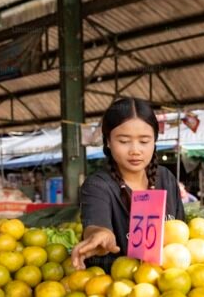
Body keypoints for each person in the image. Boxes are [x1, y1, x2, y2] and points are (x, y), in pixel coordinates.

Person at [72, 98, 184, 271]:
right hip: (114, 284)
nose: (135, 151)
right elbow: (95, 224)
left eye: (144, 141)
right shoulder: (97, 185)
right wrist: (100, 234)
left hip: (165, 281)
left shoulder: (166, 178)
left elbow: (180, 235)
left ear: (154, 140)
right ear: (108, 141)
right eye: (124, 141)